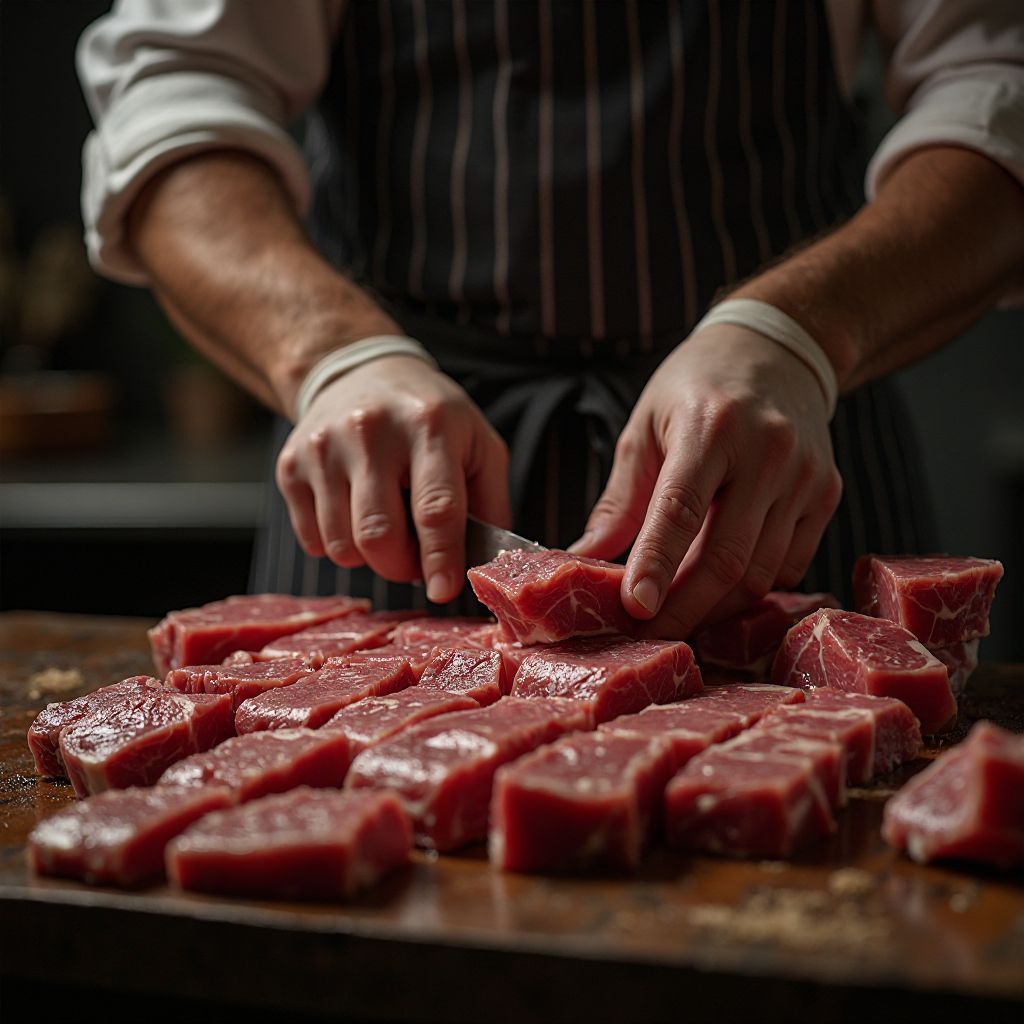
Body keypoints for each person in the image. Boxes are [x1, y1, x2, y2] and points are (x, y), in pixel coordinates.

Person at [77, 1, 1024, 635]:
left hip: (774, 469)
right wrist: (334, 355)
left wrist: (796, 334)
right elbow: (173, 92)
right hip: (393, 480)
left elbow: (999, 78)